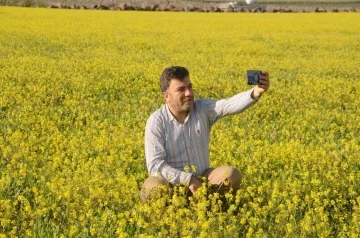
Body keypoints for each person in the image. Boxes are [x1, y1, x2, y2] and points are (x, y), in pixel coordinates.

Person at [140, 66, 270, 203]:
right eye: (181, 90)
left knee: (232, 175)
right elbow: (155, 165)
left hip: (202, 180)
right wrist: (187, 179)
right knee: (152, 187)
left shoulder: (202, 109)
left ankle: (209, 207)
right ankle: (167, 214)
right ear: (166, 96)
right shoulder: (156, 121)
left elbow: (227, 105)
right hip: (171, 185)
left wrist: (255, 93)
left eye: (190, 87)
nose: (189, 93)